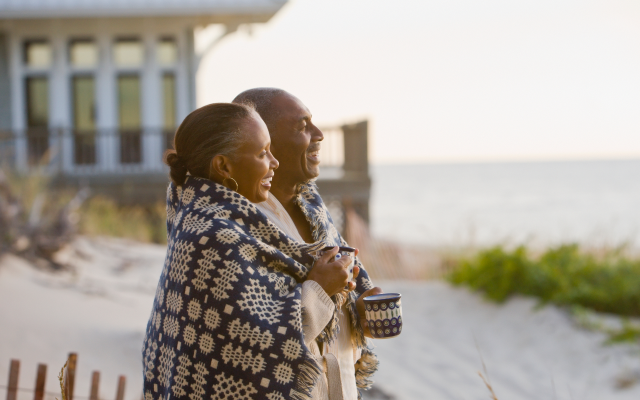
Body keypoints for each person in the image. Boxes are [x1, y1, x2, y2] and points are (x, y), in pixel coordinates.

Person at [142, 103, 357, 400]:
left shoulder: (224, 221)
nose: (274, 162)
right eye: (262, 153)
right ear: (223, 166)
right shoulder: (213, 235)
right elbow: (257, 345)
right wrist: (319, 290)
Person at [233, 89, 383, 400]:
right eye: (302, 126)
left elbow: (344, 288)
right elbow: (249, 341)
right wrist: (319, 289)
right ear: (263, 139)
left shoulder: (314, 207)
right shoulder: (235, 226)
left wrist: (359, 310)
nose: (318, 135)